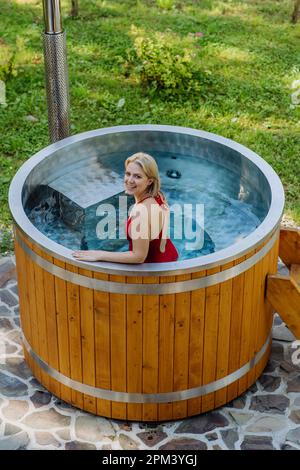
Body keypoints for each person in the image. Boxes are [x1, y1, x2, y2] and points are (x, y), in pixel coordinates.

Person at [72, 152, 178, 263]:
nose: (130, 180)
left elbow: (138, 257)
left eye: (137, 176)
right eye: (128, 174)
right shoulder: (158, 195)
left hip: (157, 271)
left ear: (149, 181)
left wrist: (99, 254)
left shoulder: (141, 213)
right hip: (170, 257)